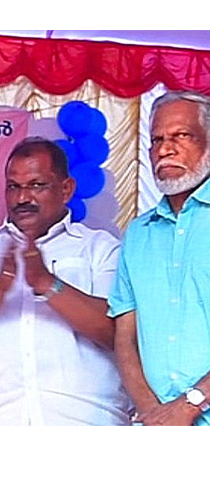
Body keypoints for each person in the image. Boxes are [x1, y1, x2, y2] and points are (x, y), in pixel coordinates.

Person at [0, 137, 130, 425]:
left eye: (37, 185)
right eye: (14, 186)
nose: (23, 198)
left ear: (66, 189)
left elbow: (117, 334)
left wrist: (48, 284)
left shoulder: (101, 248)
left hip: (87, 423)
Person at [110, 91, 210, 426]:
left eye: (181, 135)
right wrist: (154, 414)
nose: (165, 149)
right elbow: (125, 336)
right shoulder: (139, 234)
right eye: (157, 140)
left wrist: (190, 404)